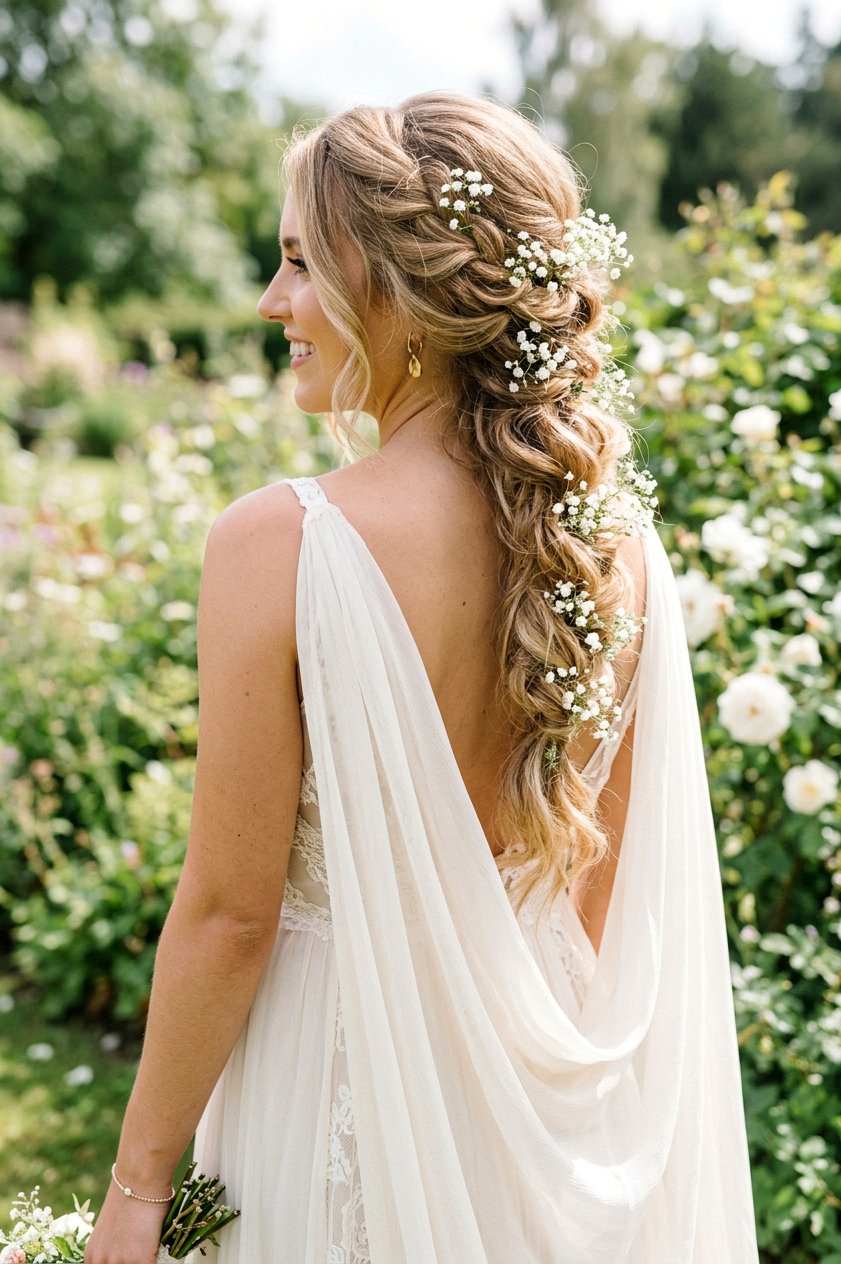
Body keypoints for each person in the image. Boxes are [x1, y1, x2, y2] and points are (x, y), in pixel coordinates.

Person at [85, 91, 758, 1263]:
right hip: (533, 1084)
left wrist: (139, 1192)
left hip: (332, 1060)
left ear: (393, 284)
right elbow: (596, 884)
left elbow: (230, 915)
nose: (271, 301)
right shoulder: (617, 552)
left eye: (299, 262)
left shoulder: (278, 545)